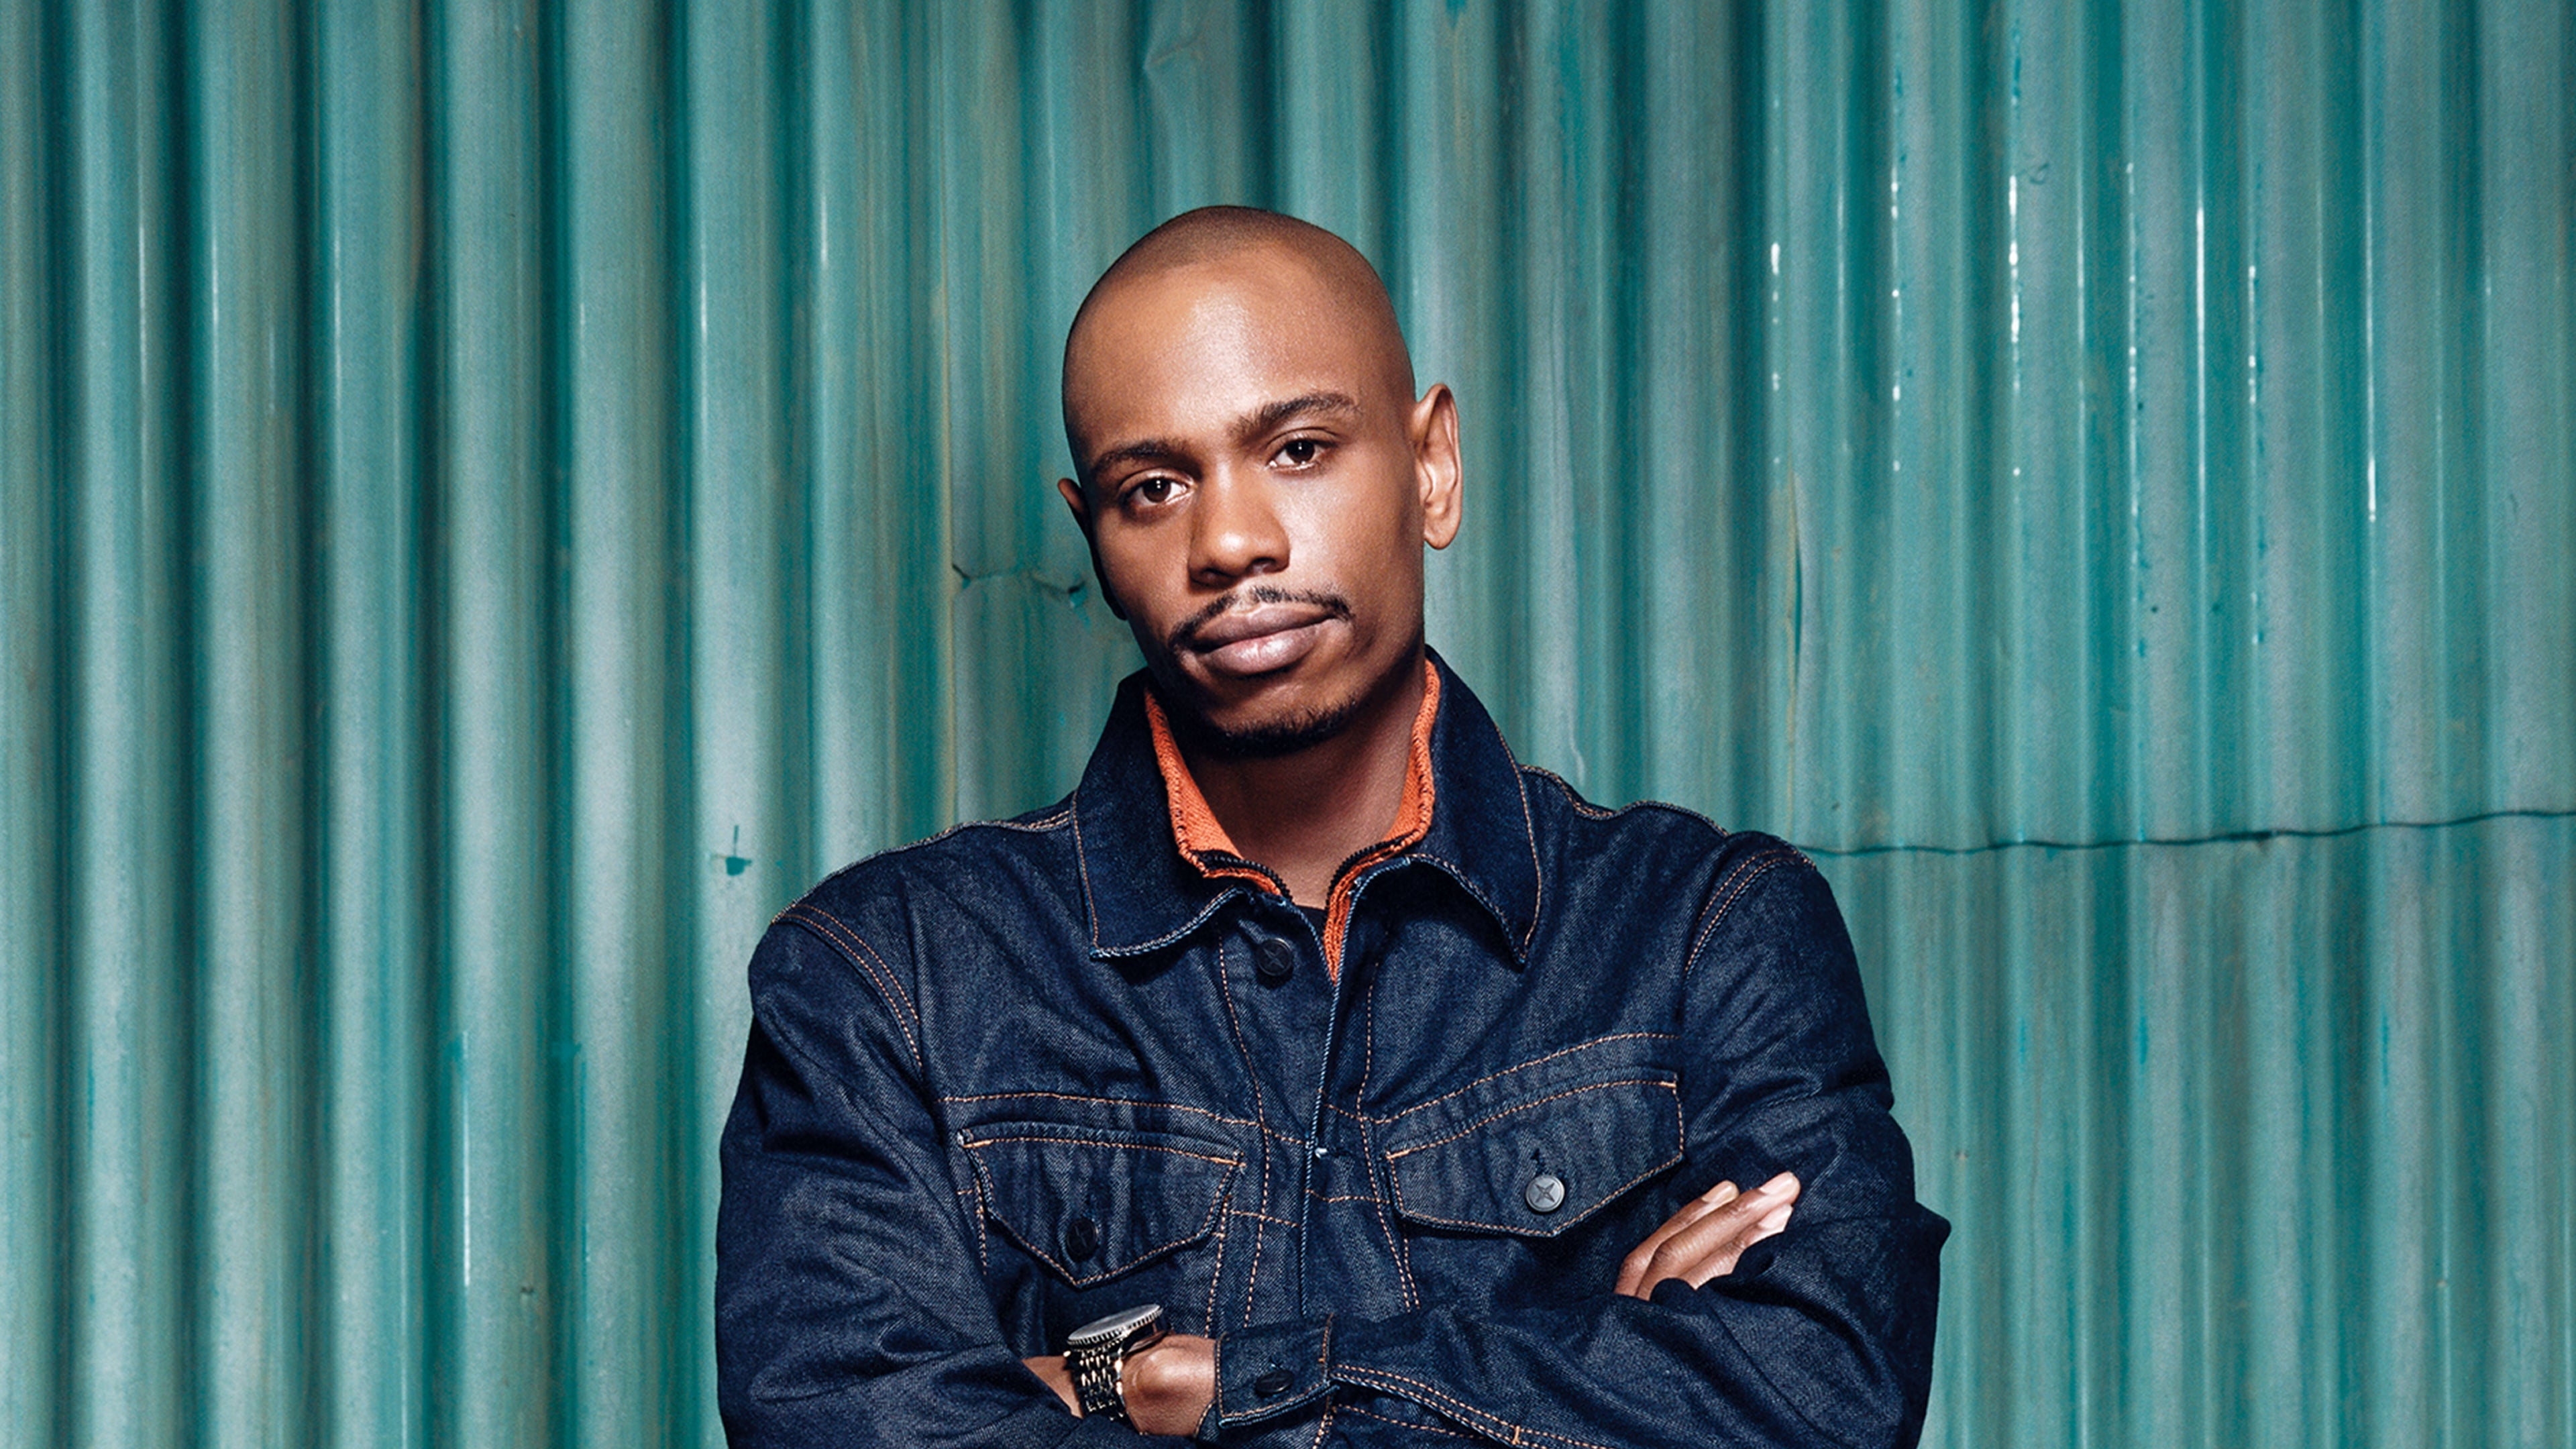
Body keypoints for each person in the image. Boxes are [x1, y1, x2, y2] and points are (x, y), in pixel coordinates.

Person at [716, 206, 1946, 1447]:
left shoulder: (1702, 935)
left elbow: (1822, 1400)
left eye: (1298, 449)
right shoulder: (888, 983)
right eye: (1154, 488)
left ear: (1432, 467)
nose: (1230, 542)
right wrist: (1598, 1378)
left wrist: (1176, 1387)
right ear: (1094, 535)